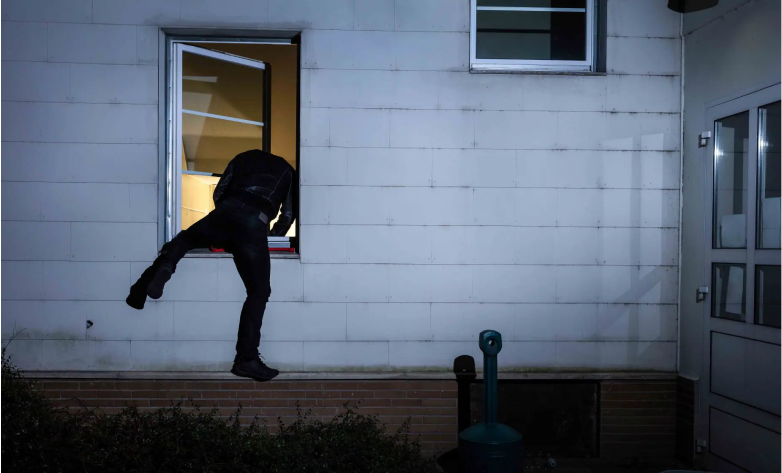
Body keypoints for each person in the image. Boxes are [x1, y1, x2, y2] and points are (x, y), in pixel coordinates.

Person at [126, 149, 298, 382]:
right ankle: (247, 359)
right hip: (254, 222)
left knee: (183, 240)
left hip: (226, 211)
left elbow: (220, 190)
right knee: (259, 292)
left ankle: (144, 286)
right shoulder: (288, 171)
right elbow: (287, 215)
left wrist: (224, 225)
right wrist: (267, 239)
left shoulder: (243, 156)